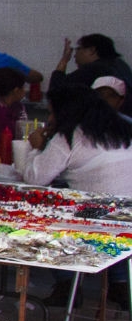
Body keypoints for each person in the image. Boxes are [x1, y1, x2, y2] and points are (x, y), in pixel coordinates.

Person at [22, 87, 132, 306]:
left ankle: (66, 283)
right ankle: (119, 282)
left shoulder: (70, 136)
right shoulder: (123, 128)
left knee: (41, 217)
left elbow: (36, 178)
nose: (51, 118)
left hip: (98, 225)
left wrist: (36, 148)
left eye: (53, 113)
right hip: (128, 220)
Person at [50, 33, 132, 95]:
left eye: (78, 49)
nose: (74, 55)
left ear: (92, 50)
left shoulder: (95, 68)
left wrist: (65, 59)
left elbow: (56, 89)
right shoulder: (120, 64)